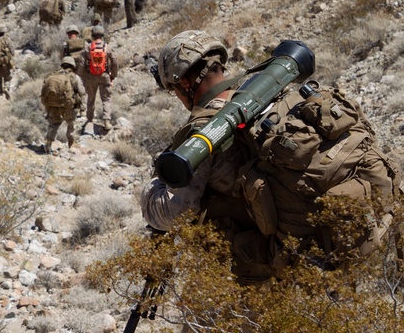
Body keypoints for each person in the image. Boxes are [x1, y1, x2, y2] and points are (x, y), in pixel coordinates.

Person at [141, 30, 397, 283]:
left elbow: (174, 214)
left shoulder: (206, 132)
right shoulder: (265, 93)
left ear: (184, 83)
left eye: (174, 88)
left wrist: (151, 187)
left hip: (259, 272)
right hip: (318, 241)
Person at [77, 25, 117, 133]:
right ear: (102, 35)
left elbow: (81, 64)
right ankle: (107, 121)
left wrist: (81, 77)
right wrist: (112, 76)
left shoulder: (88, 47)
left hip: (91, 76)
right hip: (104, 76)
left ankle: (89, 120)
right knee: (106, 99)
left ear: (93, 35)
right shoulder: (107, 47)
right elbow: (114, 63)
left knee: (91, 98)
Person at [40, 57, 86, 153]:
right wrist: (82, 107)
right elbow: (82, 93)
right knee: (71, 124)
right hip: (68, 106)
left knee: (54, 124)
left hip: (52, 106)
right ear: (73, 66)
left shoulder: (51, 76)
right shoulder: (74, 77)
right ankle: (71, 144)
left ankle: (48, 144)